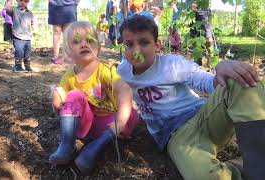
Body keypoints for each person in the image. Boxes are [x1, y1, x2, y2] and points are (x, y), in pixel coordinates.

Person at [117, 15, 264, 180]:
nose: (136, 50)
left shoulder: (172, 65)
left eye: (144, 42)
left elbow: (206, 82)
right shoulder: (122, 73)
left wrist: (223, 67)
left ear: (157, 45)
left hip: (204, 117)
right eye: (129, 44)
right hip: (176, 136)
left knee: (241, 80)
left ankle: (260, 162)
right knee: (202, 176)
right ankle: (242, 168)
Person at [48, 21, 139, 174]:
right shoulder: (69, 76)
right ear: (69, 51)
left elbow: (124, 89)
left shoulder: (104, 70)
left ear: (98, 48)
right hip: (86, 124)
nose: (84, 44)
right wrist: (56, 98)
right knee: (74, 95)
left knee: (132, 114)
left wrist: (120, 121)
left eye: (90, 40)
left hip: (110, 124)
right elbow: (60, 108)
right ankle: (66, 146)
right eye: (77, 41)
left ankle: (96, 147)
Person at [5, 0, 35, 72]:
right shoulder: (15, 10)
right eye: (21, 0)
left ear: (28, 2)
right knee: (19, 51)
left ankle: (27, 66)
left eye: (26, 1)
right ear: (17, 1)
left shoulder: (30, 13)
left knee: (27, 53)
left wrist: (34, 30)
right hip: (17, 36)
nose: (23, 2)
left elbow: (32, 23)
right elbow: (7, 8)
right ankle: (18, 67)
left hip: (27, 37)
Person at [48, 0, 78, 64]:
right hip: (55, 6)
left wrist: (75, 3)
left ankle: (67, 57)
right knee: (56, 32)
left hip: (70, 6)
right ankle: (56, 57)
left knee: (67, 33)